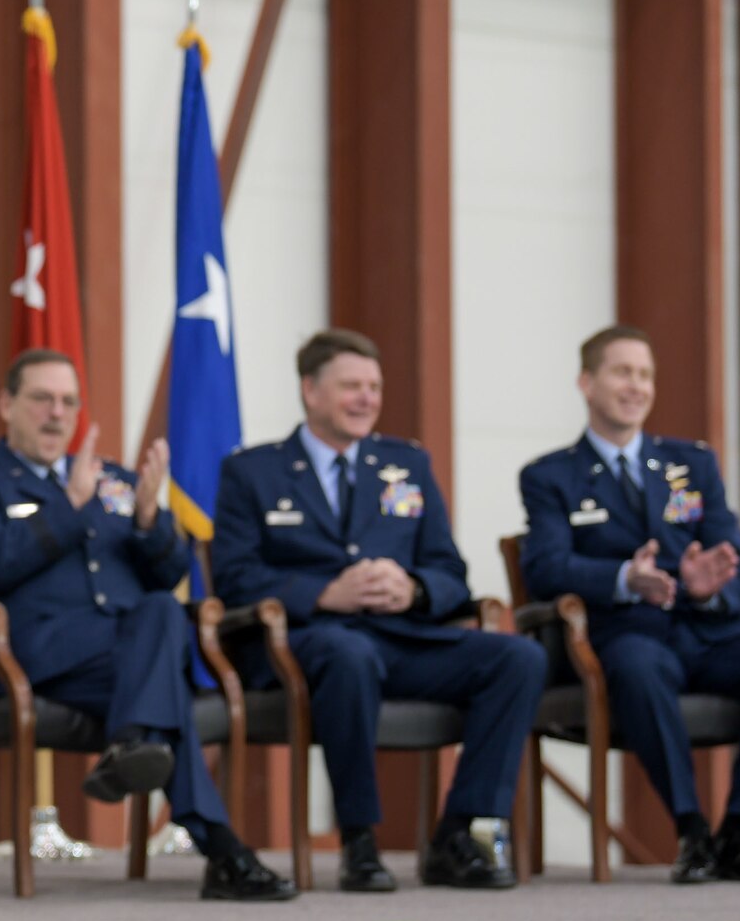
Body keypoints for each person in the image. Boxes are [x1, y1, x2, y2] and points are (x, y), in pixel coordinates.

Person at [0, 349, 296, 901]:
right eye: (41, 399)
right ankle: (186, 806)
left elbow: (172, 571)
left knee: (160, 610)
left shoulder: (118, 482)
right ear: (8, 404)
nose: (57, 413)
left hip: (124, 658)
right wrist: (71, 505)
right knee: (163, 664)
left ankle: (199, 820)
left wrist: (151, 520)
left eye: (69, 402)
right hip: (36, 653)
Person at [209, 329, 544, 891]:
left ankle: (458, 833)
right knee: (349, 652)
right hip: (308, 643)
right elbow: (235, 578)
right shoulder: (254, 471)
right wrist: (322, 594)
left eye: (374, 387)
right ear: (310, 391)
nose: (366, 398)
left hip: (403, 638)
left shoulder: (405, 464)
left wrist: (412, 588)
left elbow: (448, 570)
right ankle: (359, 841)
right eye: (351, 387)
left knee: (520, 659)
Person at [518, 325, 740, 884]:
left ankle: (737, 832)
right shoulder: (550, 476)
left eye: (645, 374)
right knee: (637, 667)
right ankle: (691, 833)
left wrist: (712, 589)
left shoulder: (693, 464)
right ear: (587, 382)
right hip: (627, 633)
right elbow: (543, 568)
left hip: (708, 630)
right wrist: (623, 578)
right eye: (622, 372)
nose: (636, 386)